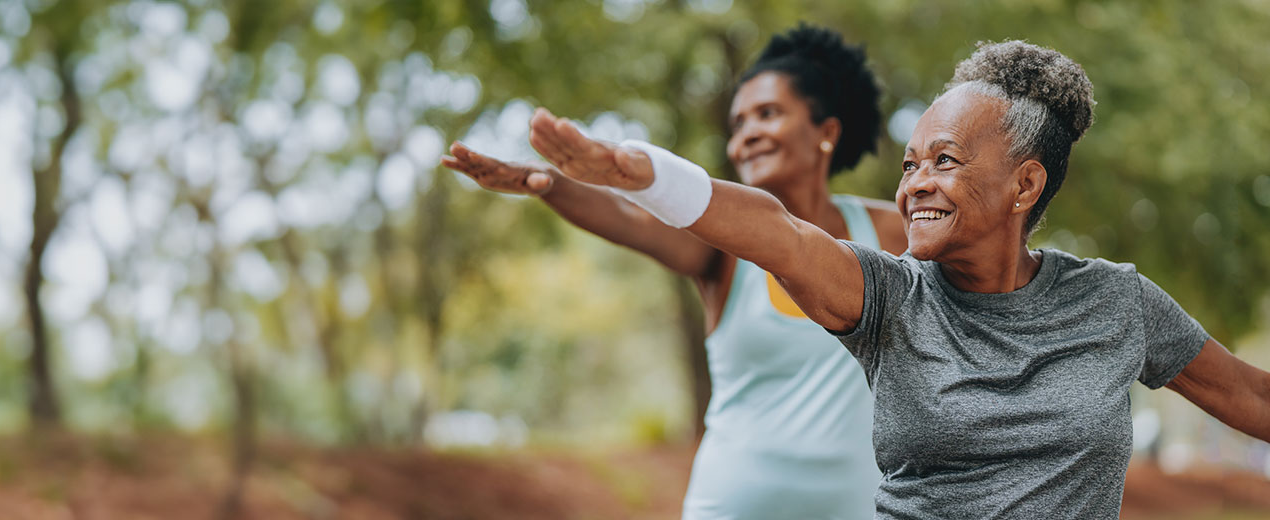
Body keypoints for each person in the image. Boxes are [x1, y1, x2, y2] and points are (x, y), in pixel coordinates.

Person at [526, 39, 1270, 517]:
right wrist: (647, 176)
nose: (914, 183)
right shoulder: (888, 297)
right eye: (910, 163)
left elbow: (1248, 396)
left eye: (944, 161)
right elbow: (776, 232)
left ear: (1024, 185)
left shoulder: (1115, 303)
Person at [441, 25, 898, 519]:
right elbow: (629, 218)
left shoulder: (890, 234)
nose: (747, 135)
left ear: (826, 132)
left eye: (768, 113)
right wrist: (550, 183)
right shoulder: (723, 250)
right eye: (738, 123)